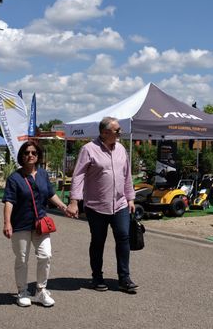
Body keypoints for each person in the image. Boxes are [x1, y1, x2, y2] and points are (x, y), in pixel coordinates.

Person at [66, 116, 138, 293]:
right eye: (117, 130)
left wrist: (130, 198)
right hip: (96, 205)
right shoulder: (89, 150)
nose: (120, 133)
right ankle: (97, 277)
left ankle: (124, 278)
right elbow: (79, 176)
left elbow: (127, 175)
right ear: (105, 132)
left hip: (120, 204)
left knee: (123, 238)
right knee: (98, 241)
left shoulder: (121, 149)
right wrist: (74, 201)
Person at [3, 140, 69, 307]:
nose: (30, 155)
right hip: (20, 224)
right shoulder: (14, 178)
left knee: (46, 255)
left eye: (34, 153)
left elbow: (50, 194)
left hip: (40, 223)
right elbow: (9, 201)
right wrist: (7, 223)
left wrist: (63, 206)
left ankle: (40, 290)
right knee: (22, 259)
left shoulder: (43, 174)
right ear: (21, 156)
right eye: (26, 153)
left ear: (38, 156)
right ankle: (22, 291)